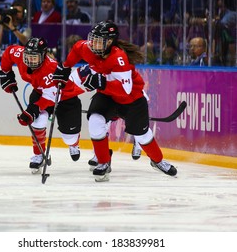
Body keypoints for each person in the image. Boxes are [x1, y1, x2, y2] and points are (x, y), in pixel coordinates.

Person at [53, 20, 177, 182]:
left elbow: (125, 90)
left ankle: (158, 161)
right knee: (95, 121)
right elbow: (77, 49)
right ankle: (104, 162)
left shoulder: (119, 58)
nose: (92, 43)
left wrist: (101, 82)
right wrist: (65, 67)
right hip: (107, 96)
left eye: (98, 40)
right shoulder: (87, 48)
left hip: (131, 98)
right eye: (92, 38)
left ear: (109, 42)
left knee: (142, 135)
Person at [0, 37, 83, 174]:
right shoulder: (20, 55)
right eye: (28, 56)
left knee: (69, 137)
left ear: (43, 56)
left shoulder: (51, 69)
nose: (30, 61)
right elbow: (8, 52)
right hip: (40, 92)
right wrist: (5, 73)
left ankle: (74, 144)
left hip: (65, 97)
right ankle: (39, 155)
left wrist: (32, 110)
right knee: (37, 121)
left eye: (34, 58)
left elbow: (49, 98)